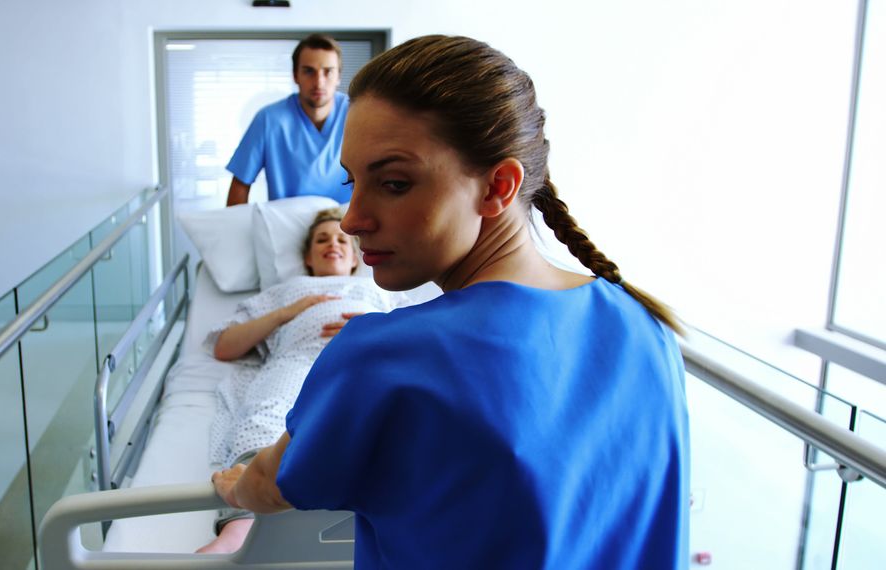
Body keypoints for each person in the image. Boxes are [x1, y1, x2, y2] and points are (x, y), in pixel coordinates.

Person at [211, 35, 690, 569]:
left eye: (393, 183)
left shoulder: (385, 356)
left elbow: (273, 484)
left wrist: (236, 490)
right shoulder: (647, 330)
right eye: (352, 182)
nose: (351, 219)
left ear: (497, 187)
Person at [198, 208, 406, 554]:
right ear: (307, 257)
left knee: (384, 423)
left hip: (364, 362)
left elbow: (418, 341)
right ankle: (238, 531)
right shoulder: (289, 289)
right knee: (263, 419)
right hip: (296, 362)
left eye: (342, 239)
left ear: (357, 255)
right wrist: (287, 312)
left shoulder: (379, 289)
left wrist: (374, 331)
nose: (332, 244)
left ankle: (379, 527)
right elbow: (224, 347)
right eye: (321, 239)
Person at [225, 34, 352, 206]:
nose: (319, 82)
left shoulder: (356, 115)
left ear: (338, 77)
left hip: (344, 228)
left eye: (328, 71)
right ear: (295, 76)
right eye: (309, 71)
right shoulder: (269, 120)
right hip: (286, 228)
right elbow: (240, 184)